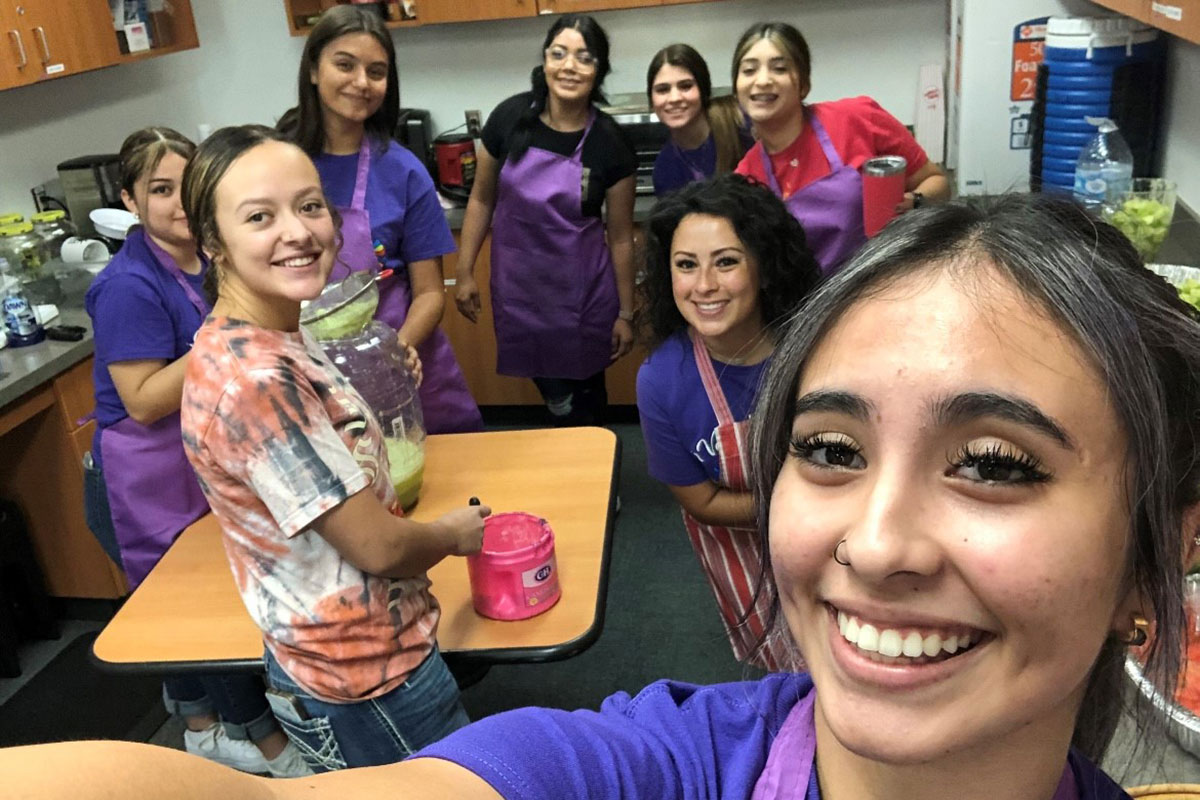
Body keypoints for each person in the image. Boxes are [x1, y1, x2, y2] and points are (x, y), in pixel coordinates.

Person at [12, 194, 1199, 798]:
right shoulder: (659, 764)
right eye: (831, 449)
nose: (876, 542)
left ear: (1155, 557)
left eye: (993, 463)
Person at [176, 124, 490, 771]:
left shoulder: (264, 332)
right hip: (368, 678)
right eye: (260, 216)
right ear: (213, 242)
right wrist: (452, 533)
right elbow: (376, 546)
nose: (298, 231)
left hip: (327, 657)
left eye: (310, 205)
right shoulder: (256, 382)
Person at [83, 126, 309, 779]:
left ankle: (198, 721)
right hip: (144, 480)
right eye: (159, 189)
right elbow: (146, 398)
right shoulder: (128, 286)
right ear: (129, 200)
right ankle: (256, 739)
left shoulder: (205, 261)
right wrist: (232, 328)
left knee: (199, 606)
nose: (179, 201)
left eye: (188, 183)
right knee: (203, 613)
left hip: (198, 459)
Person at [636, 175, 820, 670]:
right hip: (747, 561)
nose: (704, 286)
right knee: (790, 685)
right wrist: (800, 499)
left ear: (763, 266)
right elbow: (704, 502)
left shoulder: (819, 348)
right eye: (686, 266)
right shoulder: (662, 380)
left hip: (836, 540)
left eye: (726, 262)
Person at [278, 4, 482, 434]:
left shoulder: (404, 171)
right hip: (307, 372)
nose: (361, 82)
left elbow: (429, 293)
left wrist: (395, 350)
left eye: (376, 71)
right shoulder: (277, 165)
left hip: (401, 365)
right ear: (313, 69)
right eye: (345, 65)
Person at [453, 14, 637, 427]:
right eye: (559, 54)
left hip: (582, 299)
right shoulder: (510, 118)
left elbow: (621, 238)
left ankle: (598, 474)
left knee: (588, 396)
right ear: (545, 60)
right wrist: (464, 272)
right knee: (557, 396)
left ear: (598, 70)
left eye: (583, 58)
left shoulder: (609, 142)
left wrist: (626, 313)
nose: (569, 66)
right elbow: (482, 199)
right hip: (522, 295)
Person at [732, 21, 950, 273]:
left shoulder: (858, 118)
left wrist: (914, 202)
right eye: (748, 71)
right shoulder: (744, 179)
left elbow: (939, 183)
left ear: (803, 83)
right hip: (810, 306)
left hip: (882, 284)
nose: (762, 80)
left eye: (779, 69)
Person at [647, 44, 751, 197]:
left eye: (686, 86)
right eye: (663, 90)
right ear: (651, 100)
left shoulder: (739, 119)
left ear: (703, 90)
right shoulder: (665, 169)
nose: (675, 98)